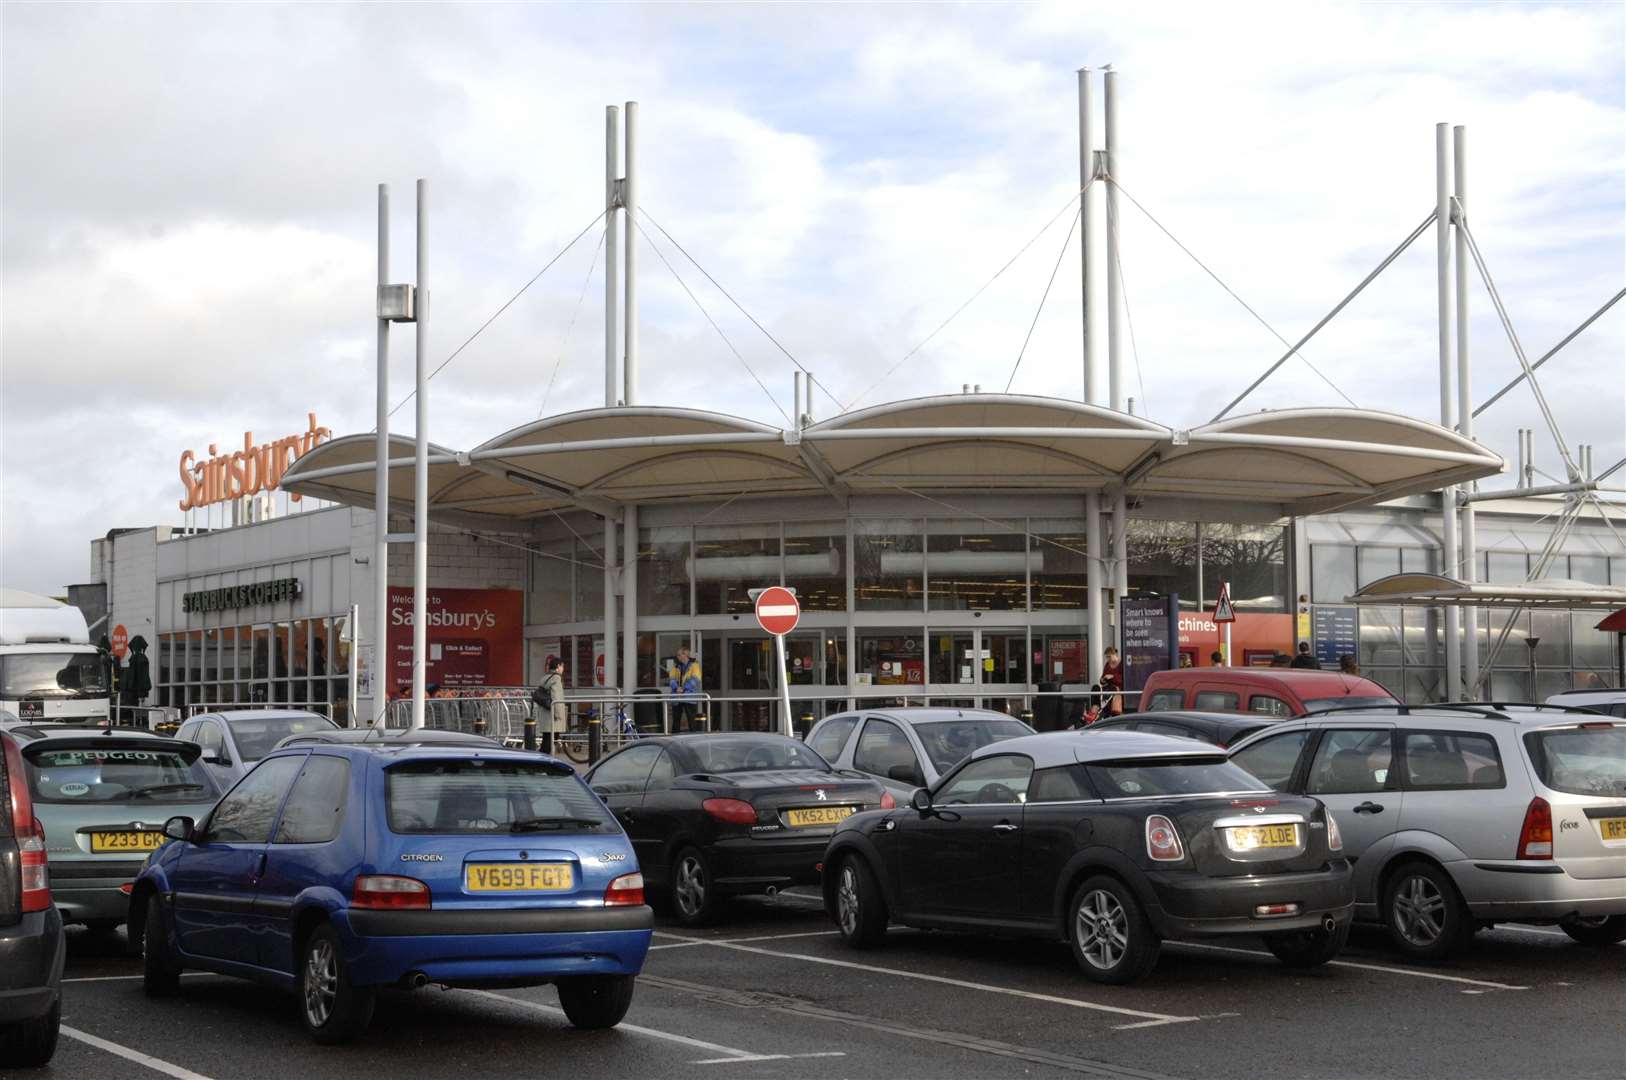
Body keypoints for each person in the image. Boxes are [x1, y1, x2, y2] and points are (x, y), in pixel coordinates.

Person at [667, 644, 703, 732]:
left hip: (689, 696)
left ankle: (694, 739)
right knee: (676, 720)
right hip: (677, 696)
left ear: (685, 655)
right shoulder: (676, 666)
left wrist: (683, 688)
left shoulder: (694, 665)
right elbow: (671, 679)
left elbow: (695, 679)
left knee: (691, 720)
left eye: (679, 654)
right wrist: (676, 688)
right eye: (677, 655)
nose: (678, 656)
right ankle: (674, 738)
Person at [539, 656, 567, 754]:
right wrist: (559, 715)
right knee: (550, 742)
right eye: (562, 666)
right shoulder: (556, 678)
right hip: (553, 715)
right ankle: (543, 763)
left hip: (545, 714)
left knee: (546, 740)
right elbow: (557, 697)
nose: (563, 669)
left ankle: (541, 760)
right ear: (558, 666)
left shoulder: (545, 677)